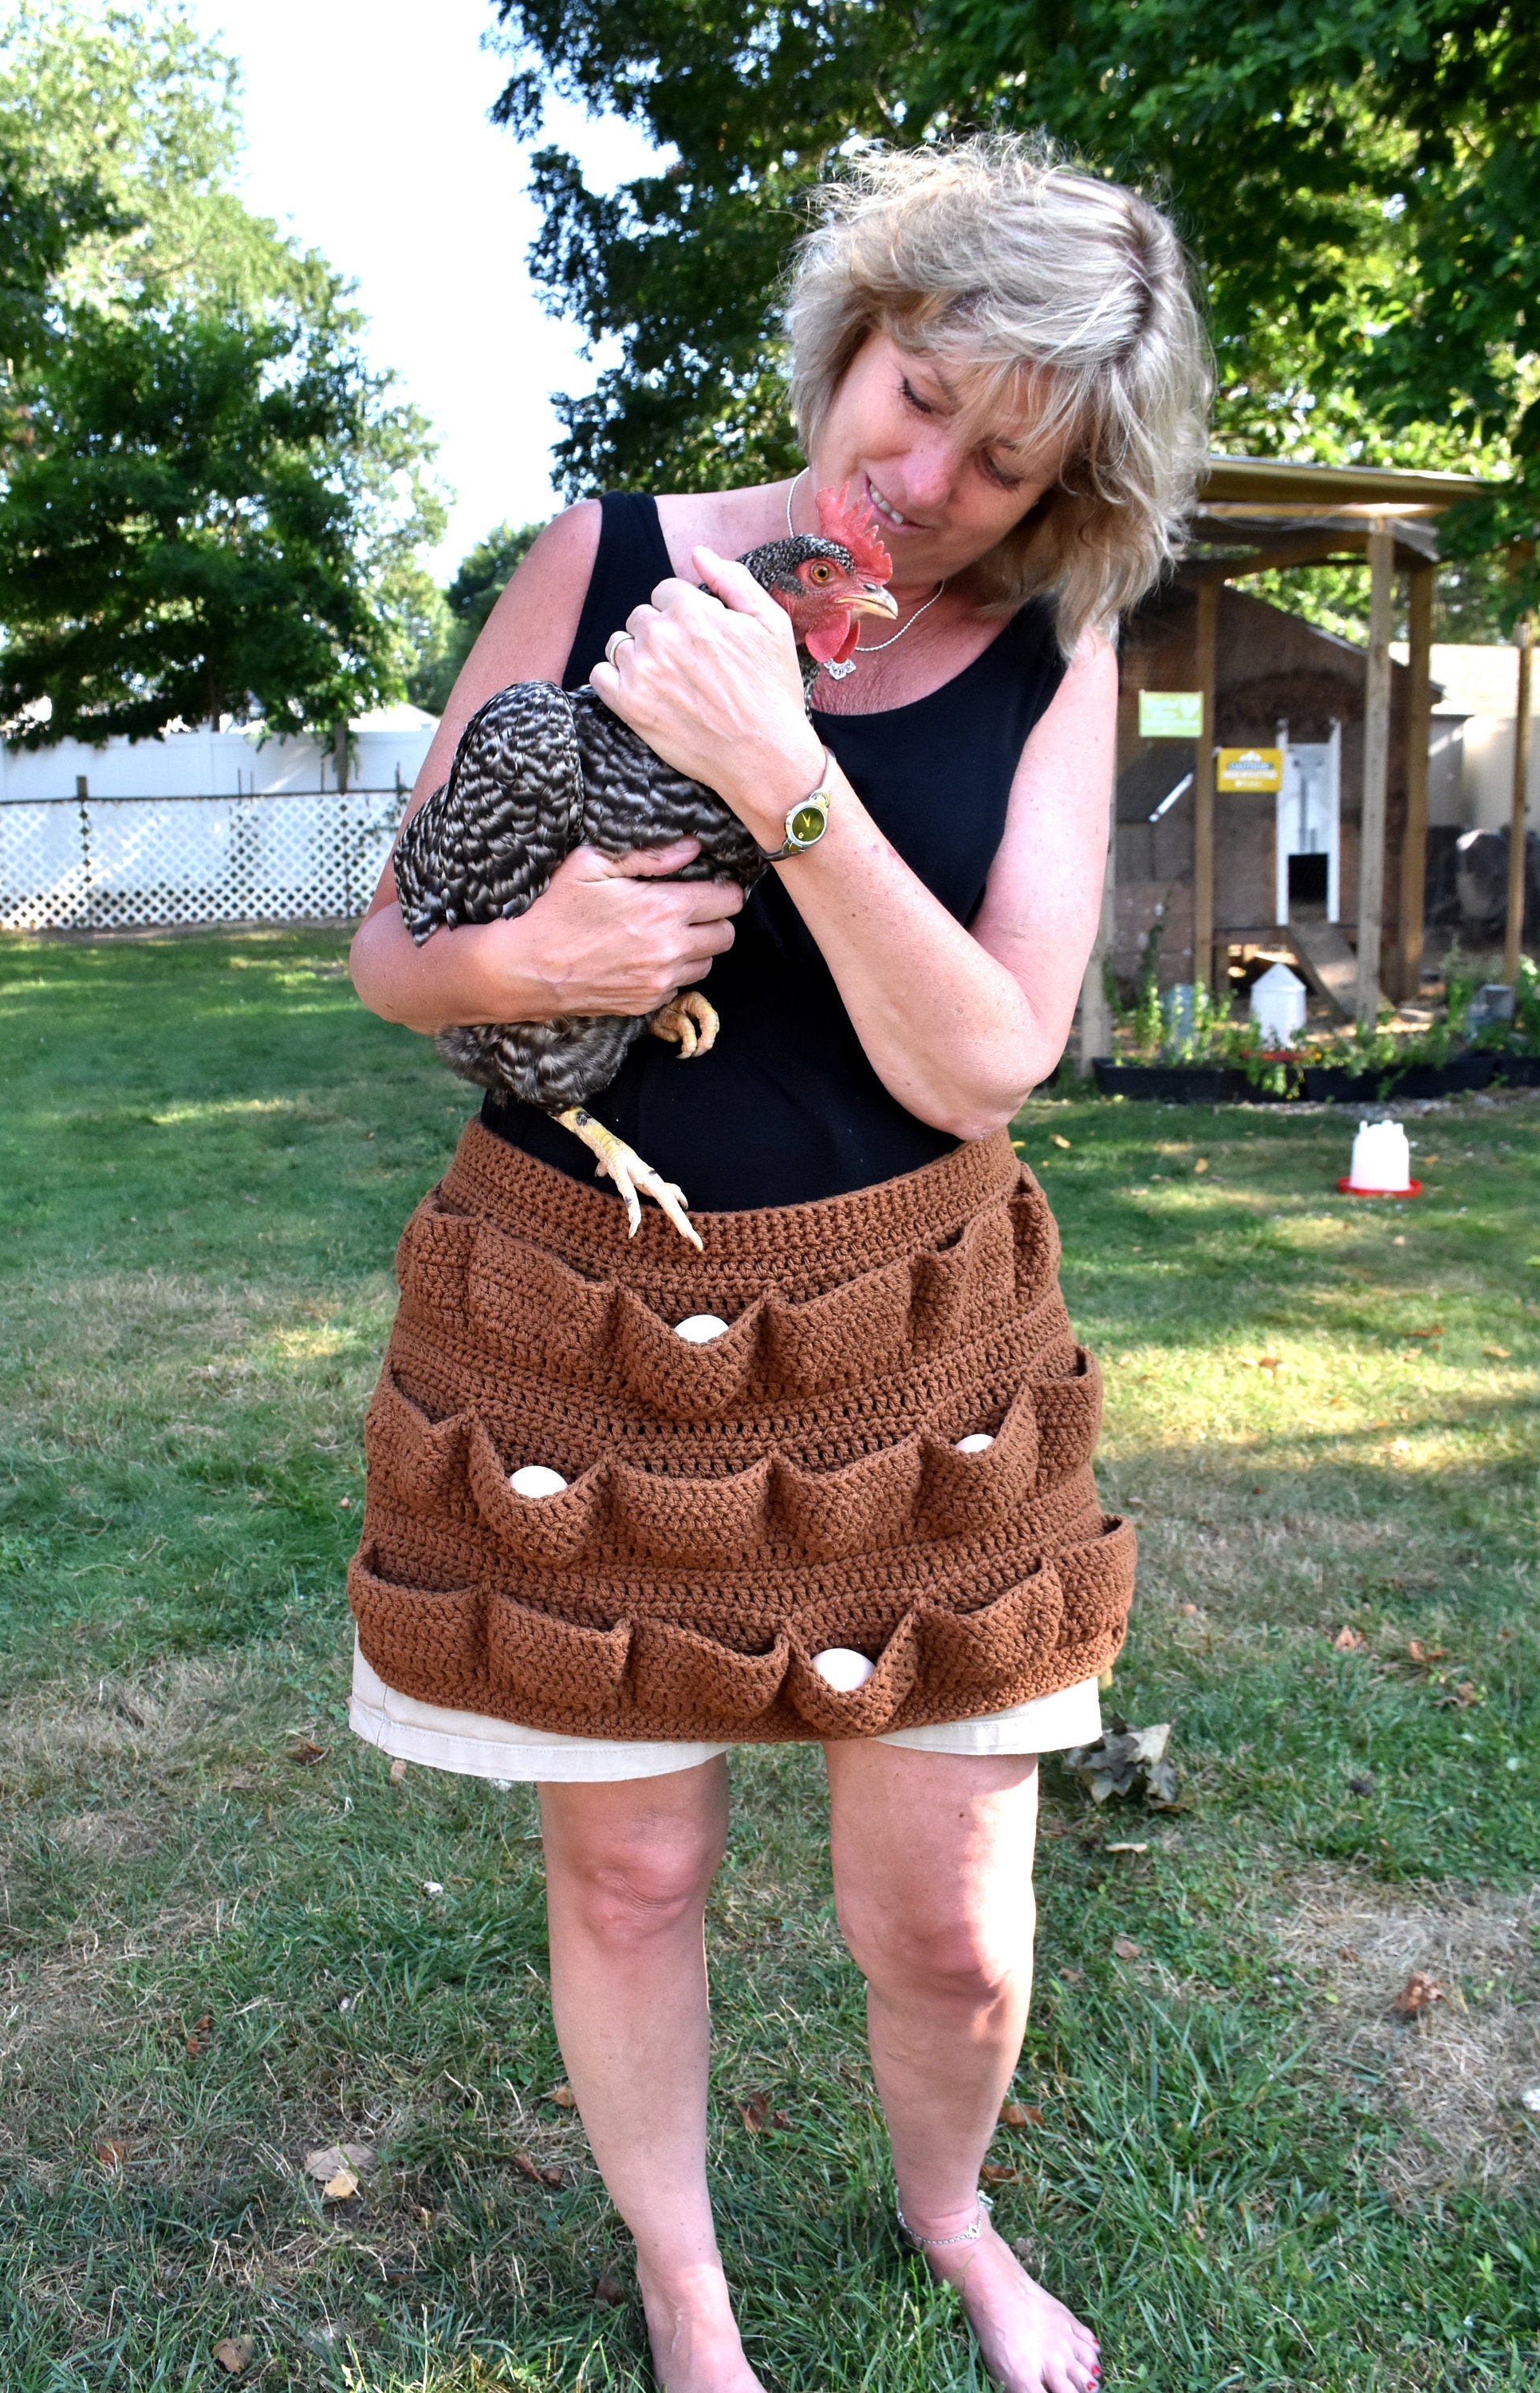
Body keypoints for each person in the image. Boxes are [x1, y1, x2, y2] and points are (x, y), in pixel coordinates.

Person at [348, 136, 1208, 2393]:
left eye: (1004, 465)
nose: (922, 480)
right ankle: (685, 2281)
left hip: (913, 1340)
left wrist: (783, 773)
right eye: (912, 395)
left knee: (942, 1924)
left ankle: (951, 2211)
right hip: (584, 1308)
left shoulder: (1051, 654)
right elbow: (391, 949)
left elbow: (991, 1057)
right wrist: (531, 953)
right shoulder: (604, 560)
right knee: (630, 1878)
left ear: (1065, 499)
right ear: (853, 333)